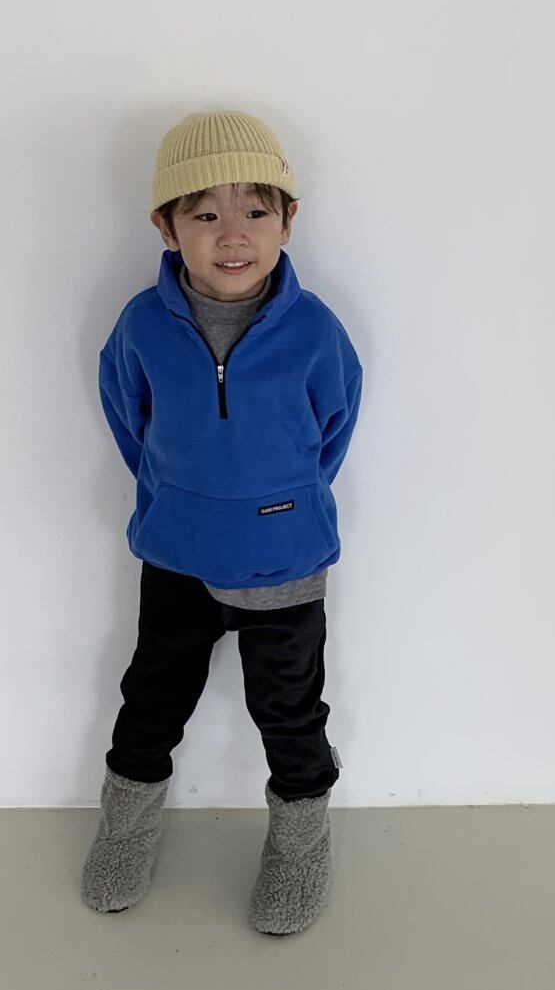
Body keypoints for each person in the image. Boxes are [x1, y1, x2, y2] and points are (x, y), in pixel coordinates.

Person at [81, 110, 364, 935]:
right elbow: (130, 421)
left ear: (288, 221)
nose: (232, 235)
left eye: (255, 211)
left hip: (286, 560)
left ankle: (300, 845)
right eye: (204, 213)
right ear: (166, 228)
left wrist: (275, 502)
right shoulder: (142, 326)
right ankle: (127, 829)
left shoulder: (315, 332)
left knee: (290, 712)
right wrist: (184, 496)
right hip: (177, 555)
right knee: (150, 701)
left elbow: (333, 428)